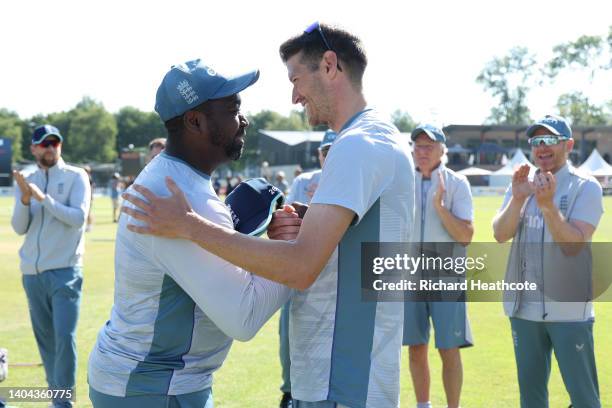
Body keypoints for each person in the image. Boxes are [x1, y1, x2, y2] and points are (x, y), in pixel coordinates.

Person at [122, 22, 415, 408]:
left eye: (296, 79)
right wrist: (309, 221)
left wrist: (189, 225)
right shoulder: (375, 137)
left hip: (343, 380)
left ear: (329, 66)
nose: (294, 96)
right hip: (345, 377)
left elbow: (300, 267)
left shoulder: (358, 145)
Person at [88, 59, 293, 408]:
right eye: (233, 108)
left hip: (146, 380)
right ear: (195, 121)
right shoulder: (183, 198)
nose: (244, 119)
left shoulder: (174, 181)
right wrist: (290, 249)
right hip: (154, 386)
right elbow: (243, 317)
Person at [492, 115, 603, 408]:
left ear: (568, 145)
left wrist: (548, 206)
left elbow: (573, 245)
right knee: (531, 400)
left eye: (550, 140)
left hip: (569, 311)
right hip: (524, 308)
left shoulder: (585, 186)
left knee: (584, 400)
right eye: (536, 141)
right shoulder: (521, 184)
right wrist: (517, 199)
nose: (542, 148)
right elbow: (500, 234)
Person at [11, 124, 91, 408]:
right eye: (44, 144)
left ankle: (62, 403)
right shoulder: (26, 178)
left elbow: (78, 217)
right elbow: (19, 227)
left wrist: (43, 199)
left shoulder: (76, 176)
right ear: (33, 148)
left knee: (64, 337)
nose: (50, 148)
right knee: (46, 342)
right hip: (32, 274)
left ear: (60, 147)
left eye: (54, 143)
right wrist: (24, 199)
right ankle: (56, 397)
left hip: (65, 271)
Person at [404, 125, 474, 408]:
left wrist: (440, 207)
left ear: (442, 150)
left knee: (449, 348)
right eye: (418, 146)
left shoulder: (457, 184)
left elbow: (466, 236)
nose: (422, 152)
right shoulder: (401, 181)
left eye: (429, 146)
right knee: (415, 347)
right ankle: (423, 405)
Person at [277, 129, 336, 408]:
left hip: (334, 279)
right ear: (319, 154)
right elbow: (287, 225)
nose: (329, 156)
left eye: (335, 149)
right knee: (288, 334)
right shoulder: (304, 181)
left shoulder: (351, 181)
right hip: (300, 272)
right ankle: (289, 391)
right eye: (325, 151)